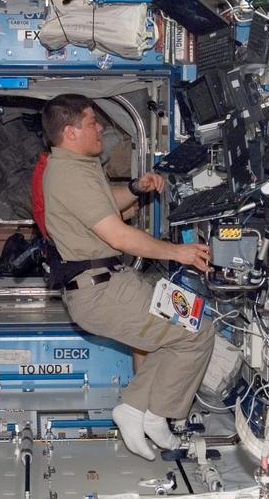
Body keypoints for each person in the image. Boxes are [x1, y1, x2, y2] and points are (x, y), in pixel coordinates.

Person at [38, 93, 216, 460]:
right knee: (196, 333)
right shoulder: (70, 175)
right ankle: (145, 412)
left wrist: (135, 189)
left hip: (110, 283)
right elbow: (118, 236)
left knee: (188, 331)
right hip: (101, 292)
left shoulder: (75, 165)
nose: (99, 127)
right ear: (70, 132)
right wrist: (178, 252)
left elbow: (101, 205)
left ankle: (144, 412)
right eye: (91, 122)